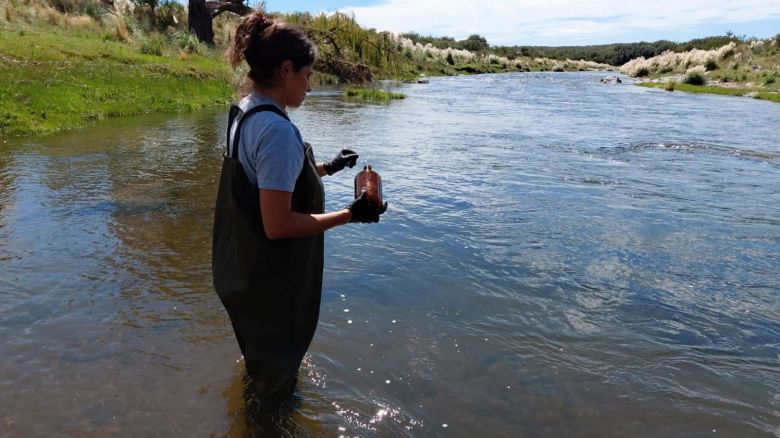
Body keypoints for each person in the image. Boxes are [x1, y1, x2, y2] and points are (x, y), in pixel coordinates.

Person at [212, 10, 387, 403]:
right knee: (275, 395)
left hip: (239, 272)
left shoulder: (245, 110)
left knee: (261, 365)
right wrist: (351, 214)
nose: (310, 86)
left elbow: (264, 183)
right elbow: (277, 223)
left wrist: (329, 167)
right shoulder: (276, 131)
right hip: (270, 282)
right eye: (307, 76)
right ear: (286, 70)